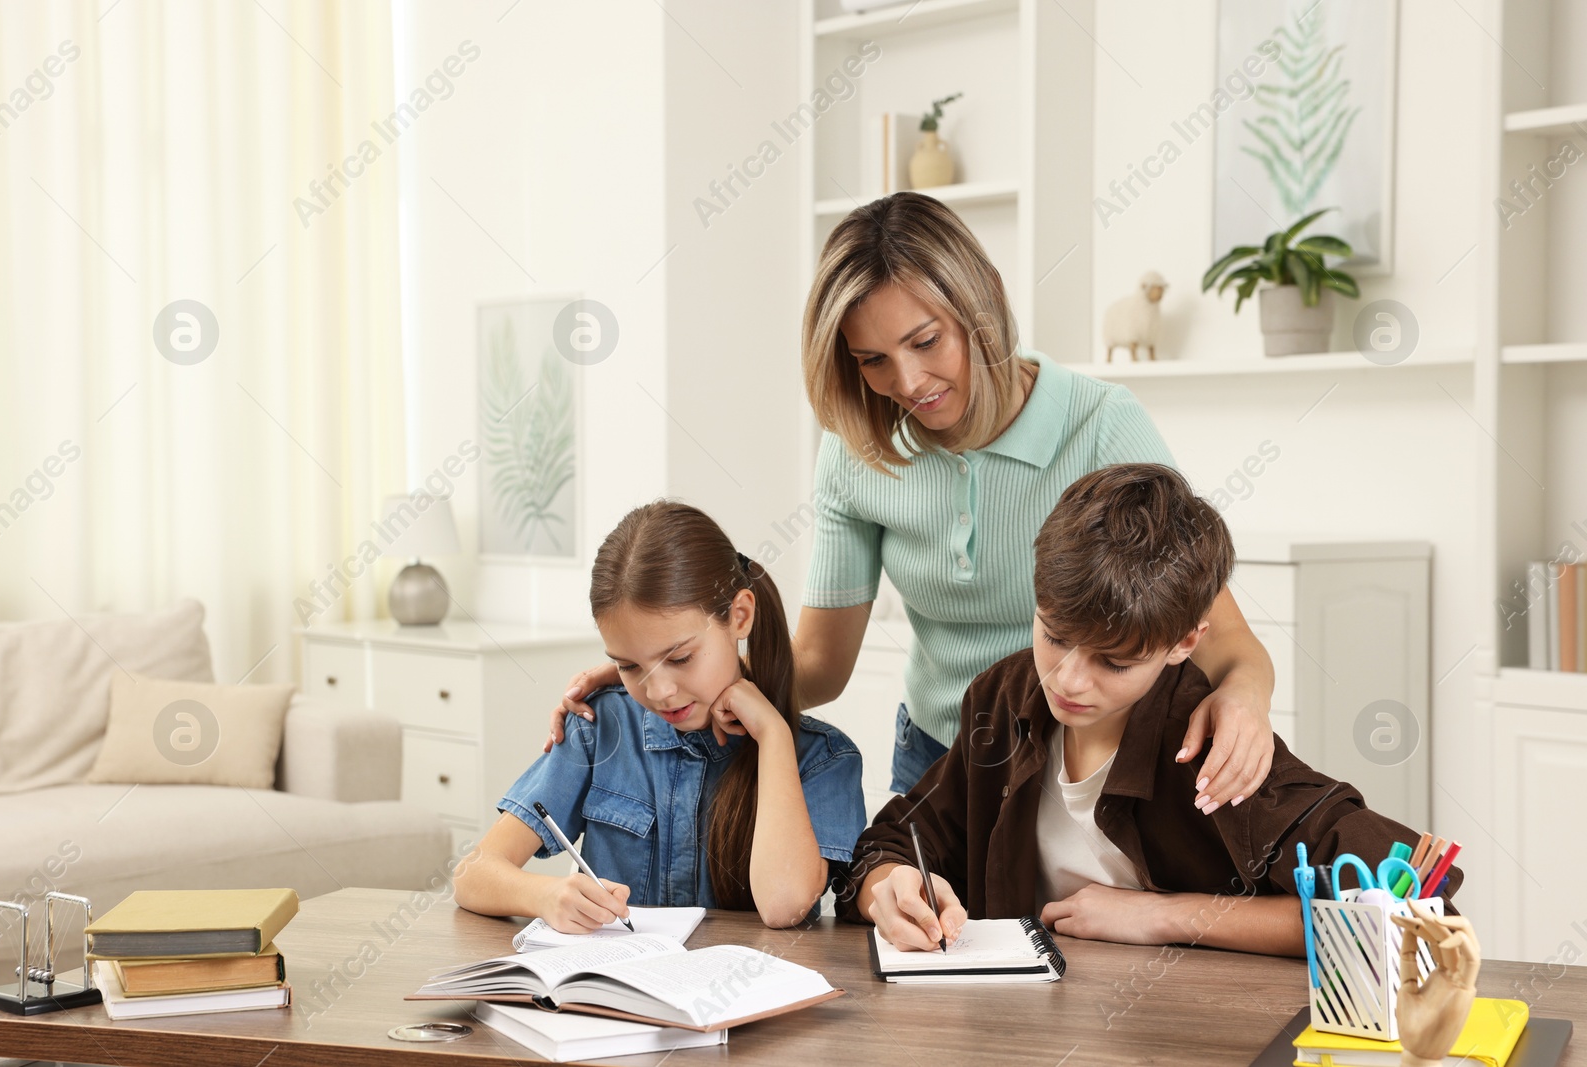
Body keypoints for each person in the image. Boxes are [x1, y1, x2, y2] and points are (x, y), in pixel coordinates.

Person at [544, 192, 1278, 810]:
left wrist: (1246, 695)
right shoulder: (858, 451)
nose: (908, 381)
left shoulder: (1102, 427)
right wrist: (671, 672)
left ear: (980, 300)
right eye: (872, 360)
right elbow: (821, 664)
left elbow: (1223, 641)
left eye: (927, 340)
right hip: (937, 763)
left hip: (1087, 765)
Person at [840, 464, 1462, 956]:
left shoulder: (1211, 745)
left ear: (1185, 640)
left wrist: (1167, 915)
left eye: (1114, 662)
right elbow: (893, 841)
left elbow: (1414, 916)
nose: (1068, 679)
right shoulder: (1001, 699)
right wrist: (886, 888)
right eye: (1054, 635)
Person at [453, 501, 866, 930]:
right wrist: (544, 894)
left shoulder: (823, 760)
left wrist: (774, 738)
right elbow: (472, 875)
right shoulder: (603, 728)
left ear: (739, 616)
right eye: (630, 666)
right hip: (616, 991)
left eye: (681, 658)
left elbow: (785, 907)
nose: (660, 692)